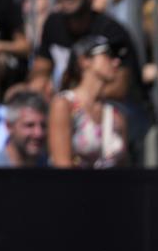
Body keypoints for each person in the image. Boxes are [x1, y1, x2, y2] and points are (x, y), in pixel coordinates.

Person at [28, 0, 136, 100]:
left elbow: (120, 88)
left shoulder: (112, 31)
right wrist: (38, 86)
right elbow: (40, 71)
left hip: (112, 105)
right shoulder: (53, 24)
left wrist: (73, 97)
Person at [47, 34, 127, 167]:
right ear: (84, 61)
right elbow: (62, 166)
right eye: (108, 54)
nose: (116, 62)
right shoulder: (64, 106)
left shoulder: (116, 115)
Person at [0, 90, 46, 166]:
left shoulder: (50, 166)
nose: (39, 133)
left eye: (43, 125)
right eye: (29, 125)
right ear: (9, 126)